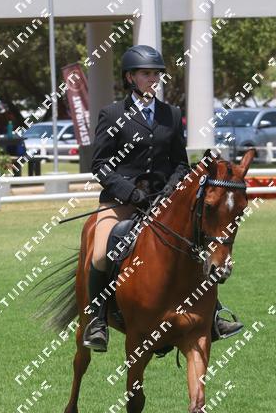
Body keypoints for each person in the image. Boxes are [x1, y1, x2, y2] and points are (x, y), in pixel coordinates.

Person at [82, 44, 244, 352]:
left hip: (163, 200)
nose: (153, 79)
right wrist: (131, 193)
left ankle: (214, 315)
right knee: (102, 253)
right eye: (146, 74)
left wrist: (169, 191)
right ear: (130, 77)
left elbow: (180, 163)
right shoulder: (112, 114)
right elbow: (100, 165)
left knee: (197, 245)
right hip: (120, 202)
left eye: (156, 74)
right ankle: (98, 320)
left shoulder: (171, 114)